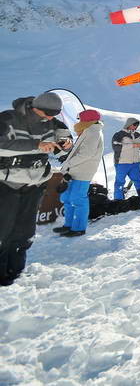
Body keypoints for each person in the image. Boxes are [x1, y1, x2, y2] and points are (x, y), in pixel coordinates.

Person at [0, 92, 72, 285]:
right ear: (36, 107)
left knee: (24, 232)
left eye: (54, 114)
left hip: (35, 184)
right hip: (6, 183)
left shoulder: (52, 123)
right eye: (48, 113)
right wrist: (36, 145)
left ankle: (16, 273)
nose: (50, 118)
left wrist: (66, 143)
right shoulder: (8, 119)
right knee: (3, 231)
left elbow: (64, 140)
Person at [54, 109, 104, 237]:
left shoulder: (93, 132)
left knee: (78, 199)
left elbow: (86, 154)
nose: (78, 121)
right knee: (68, 198)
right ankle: (68, 225)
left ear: (87, 120)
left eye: (80, 119)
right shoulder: (88, 130)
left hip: (83, 172)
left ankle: (78, 228)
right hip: (75, 170)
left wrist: (69, 164)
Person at [111, 118, 140, 200]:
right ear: (129, 124)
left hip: (135, 163)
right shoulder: (119, 134)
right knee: (119, 183)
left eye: (137, 125)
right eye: (134, 124)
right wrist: (134, 145)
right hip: (122, 163)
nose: (135, 127)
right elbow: (116, 147)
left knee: (139, 181)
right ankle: (119, 200)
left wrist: (139, 145)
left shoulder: (138, 135)